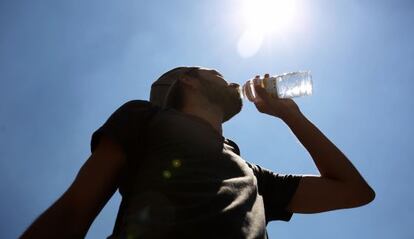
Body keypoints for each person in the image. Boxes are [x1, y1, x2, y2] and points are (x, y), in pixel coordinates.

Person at [20, 66, 375, 239]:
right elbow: (74, 209)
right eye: (216, 73)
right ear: (188, 81)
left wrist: (290, 114)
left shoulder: (249, 173)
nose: (229, 80)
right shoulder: (145, 116)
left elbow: (354, 191)